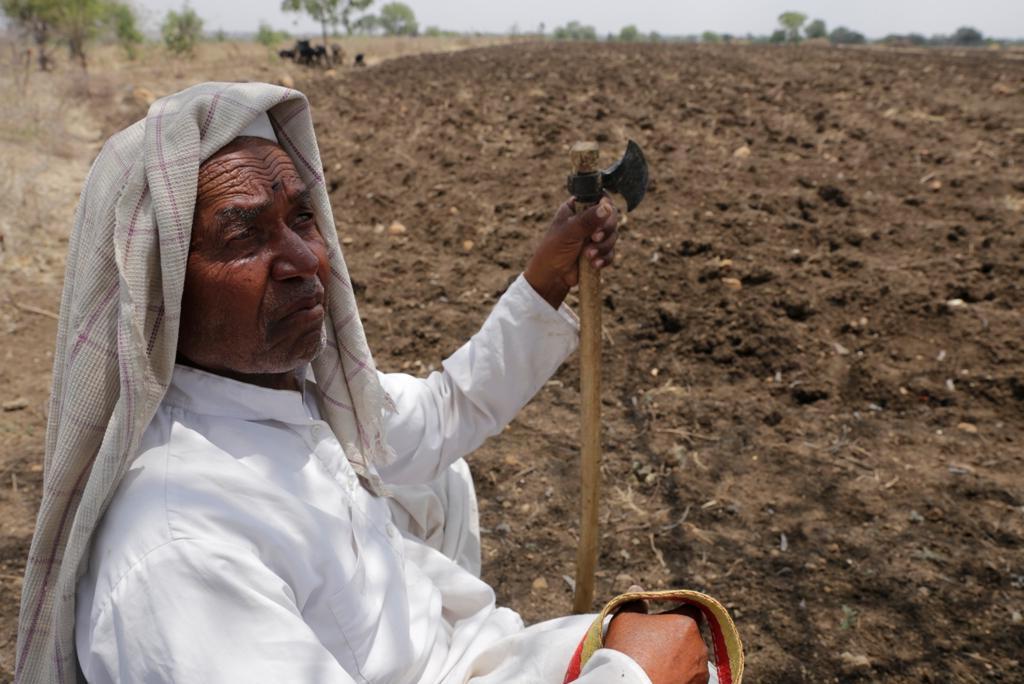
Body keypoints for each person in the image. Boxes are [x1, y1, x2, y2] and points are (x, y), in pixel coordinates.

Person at [16, 82, 712, 684]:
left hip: (469, 657)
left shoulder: (296, 395)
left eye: (301, 218)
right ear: (159, 291)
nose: (304, 260)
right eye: (243, 237)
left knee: (435, 478)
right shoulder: (179, 550)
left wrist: (548, 279)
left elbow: (443, 412)